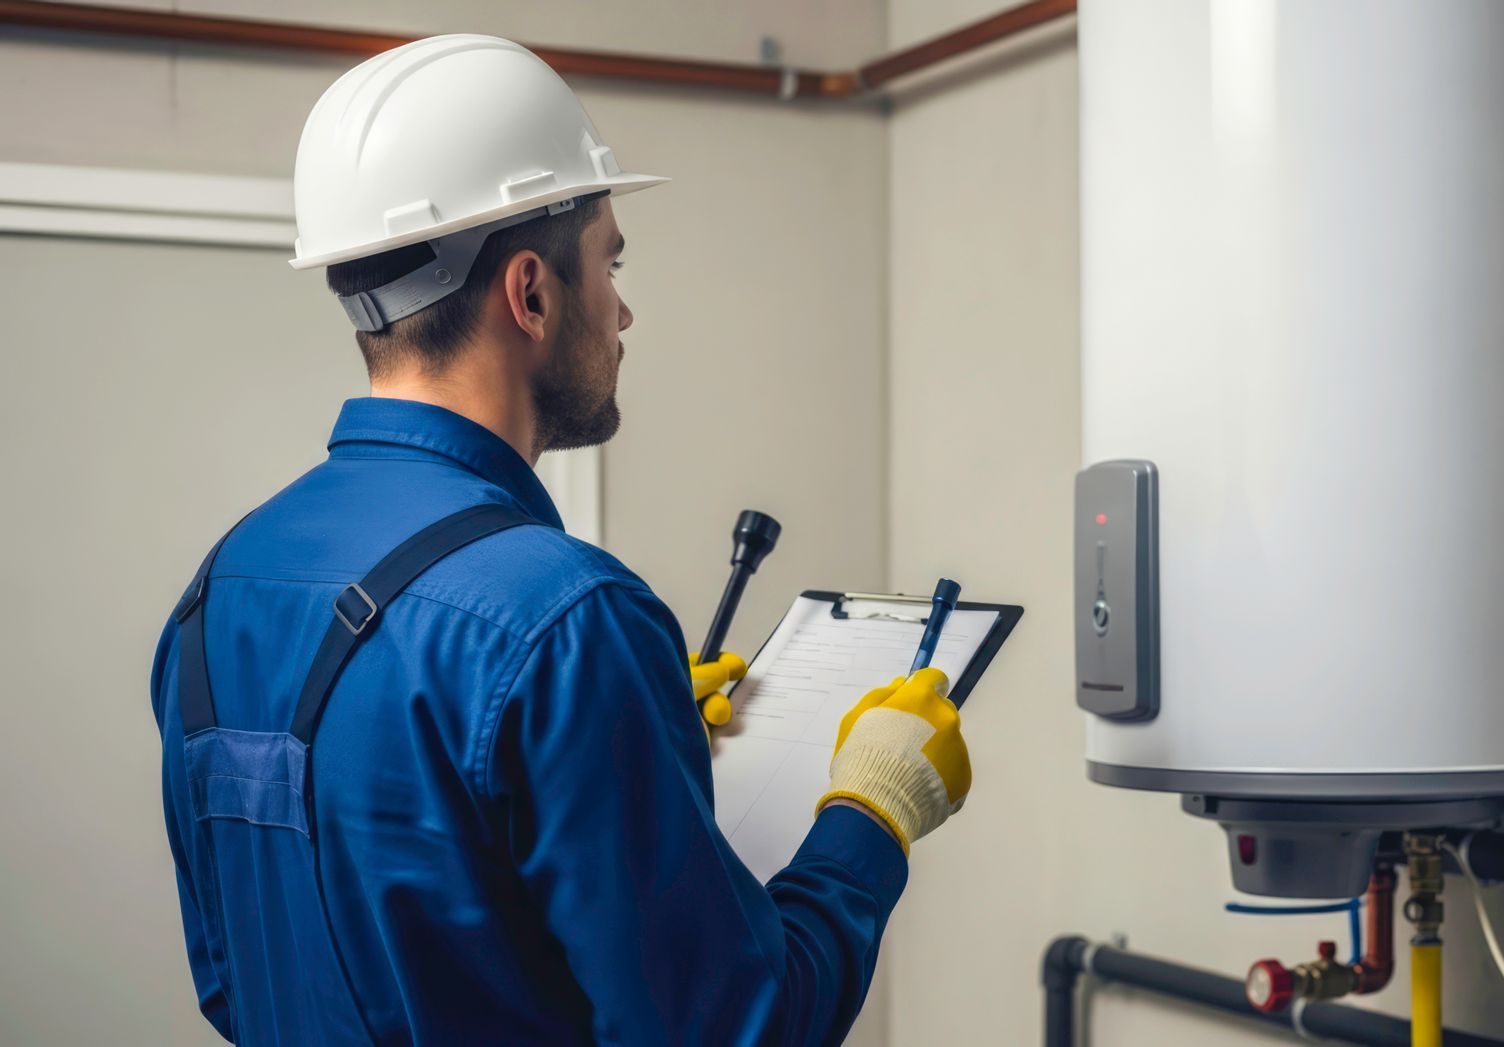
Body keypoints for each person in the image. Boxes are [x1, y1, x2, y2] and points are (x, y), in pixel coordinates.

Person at [151, 34, 970, 1045]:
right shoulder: (566, 623)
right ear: (531, 293)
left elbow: (232, 982)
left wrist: (613, 750)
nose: (622, 310)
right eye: (609, 262)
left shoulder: (217, 593)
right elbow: (743, 1030)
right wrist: (874, 812)